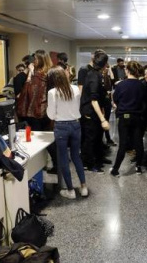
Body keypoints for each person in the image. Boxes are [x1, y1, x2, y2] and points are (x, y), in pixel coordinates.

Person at [46, 67, 88, 199]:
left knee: (63, 158)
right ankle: (83, 187)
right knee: (76, 156)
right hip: (76, 125)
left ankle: (70, 190)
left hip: (61, 127)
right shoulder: (75, 89)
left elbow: (51, 115)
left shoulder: (53, 92)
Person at [109, 61, 145, 177]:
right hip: (137, 117)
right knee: (138, 143)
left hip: (124, 118)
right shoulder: (142, 85)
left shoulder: (120, 85)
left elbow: (116, 100)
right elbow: (144, 103)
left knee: (123, 144)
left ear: (128, 70)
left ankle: (115, 169)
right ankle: (138, 167)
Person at [80, 50, 110, 173]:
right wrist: (103, 119)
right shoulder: (94, 76)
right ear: (104, 63)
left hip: (93, 111)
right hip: (89, 112)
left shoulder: (96, 74)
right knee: (90, 139)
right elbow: (93, 100)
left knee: (97, 137)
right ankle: (89, 164)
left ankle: (98, 160)